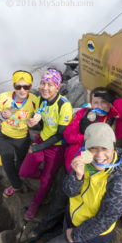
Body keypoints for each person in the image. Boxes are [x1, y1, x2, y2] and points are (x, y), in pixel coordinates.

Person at [29, 86, 122, 239]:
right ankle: (43, 228)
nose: (100, 106)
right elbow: (68, 136)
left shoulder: (113, 122)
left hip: (94, 174)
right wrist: (82, 131)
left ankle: (62, 230)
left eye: (105, 102)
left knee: (79, 204)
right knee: (59, 200)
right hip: (72, 167)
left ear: (110, 104)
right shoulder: (83, 114)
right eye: (96, 102)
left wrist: (116, 101)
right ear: (90, 103)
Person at [37, 122, 122, 243]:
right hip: (72, 218)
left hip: (91, 236)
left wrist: (75, 235)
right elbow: (69, 191)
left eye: (105, 148)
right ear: (86, 148)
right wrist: (77, 176)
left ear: (114, 147)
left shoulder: (120, 184)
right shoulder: (86, 158)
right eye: (93, 148)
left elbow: (103, 221)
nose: (99, 155)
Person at [19, 68, 73, 219]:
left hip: (56, 147)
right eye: (43, 83)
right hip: (42, 138)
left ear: (58, 87)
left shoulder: (64, 105)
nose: (45, 87)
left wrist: (38, 147)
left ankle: (36, 203)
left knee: (45, 181)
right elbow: (39, 115)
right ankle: (46, 179)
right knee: (25, 172)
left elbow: (61, 133)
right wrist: (32, 123)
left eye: (50, 84)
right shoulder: (41, 99)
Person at [0, 70, 37, 197]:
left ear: (30, 86)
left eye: (26, 86)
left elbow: (40, 119)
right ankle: (17, 185)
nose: (22, 90)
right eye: (18, 86)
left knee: (21, 162)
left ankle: (18, 177)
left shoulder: (34, 101)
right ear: (14, 86)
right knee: (7, 163)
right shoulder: (3, 97)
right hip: (5, 136)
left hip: (22, 138)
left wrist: (35, 123)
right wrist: (1, 115)